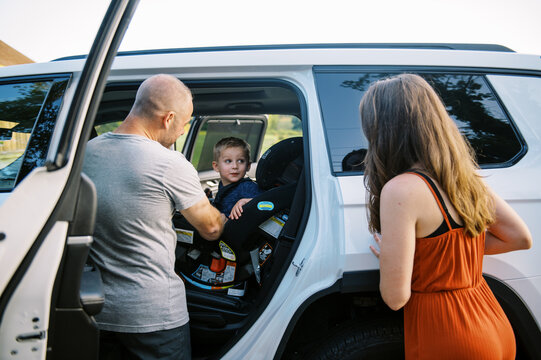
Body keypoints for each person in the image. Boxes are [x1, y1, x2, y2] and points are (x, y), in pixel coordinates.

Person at [361, 74, 532, 359]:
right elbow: (519, 238)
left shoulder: (400, 189)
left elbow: (395, 298)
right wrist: (437, 256)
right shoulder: (463, 178)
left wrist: (397, 261)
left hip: (448, 334)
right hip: (492, 321)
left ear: (384, 130)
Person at [83, 74, 225, 360]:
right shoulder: (169, 163)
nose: (183, 130)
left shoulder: (84, 153)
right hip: (154, 317)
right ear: (168, 118)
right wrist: (223, 214)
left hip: (96, 310)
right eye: (184, 123)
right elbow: (210, 228)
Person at [212, 137, 263, 220]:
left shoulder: (247, 187)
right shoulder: (223, 184)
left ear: (248, 166)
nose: (235, 166)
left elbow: (268, 203)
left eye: (240, 161)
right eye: (228, 161)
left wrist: (248, 201)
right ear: (216, 166)